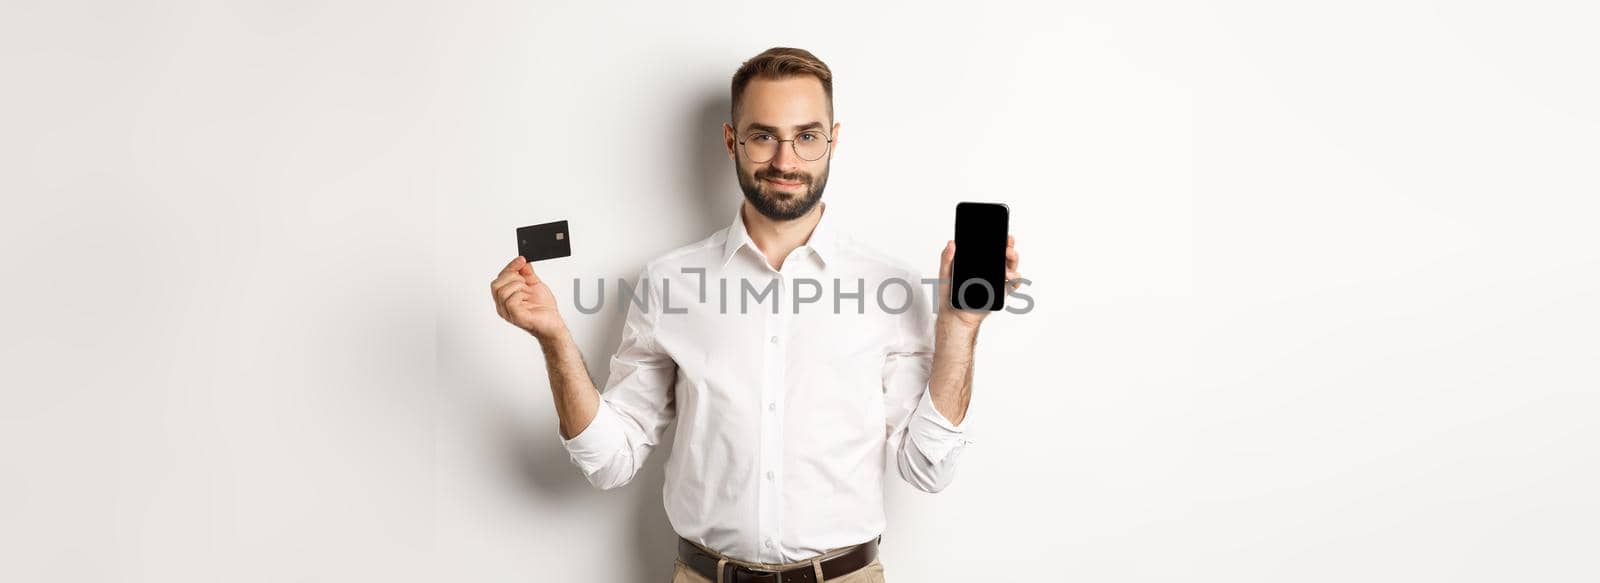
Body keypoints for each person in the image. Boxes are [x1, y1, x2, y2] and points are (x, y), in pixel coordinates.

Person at [489, 47, 1022, 583]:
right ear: (731, 141)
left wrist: (958, 330)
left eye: (807, 137)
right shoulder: (668, 283)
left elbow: (926, 468)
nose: (785, 161)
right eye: (763, 136)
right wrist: (554, 338)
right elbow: (610, 460)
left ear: (833, 140)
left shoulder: (892, 287)